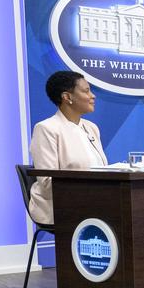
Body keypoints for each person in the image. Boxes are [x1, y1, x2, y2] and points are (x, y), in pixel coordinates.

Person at [27, 71, 108, 225]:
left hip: (94, 202)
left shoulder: (92, 128)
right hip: (60, 206)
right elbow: (46, 183)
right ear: (67, 97)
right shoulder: (46, 128)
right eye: (86, 91)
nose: (93, 96)